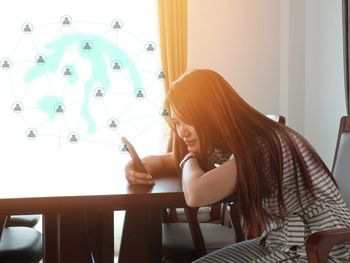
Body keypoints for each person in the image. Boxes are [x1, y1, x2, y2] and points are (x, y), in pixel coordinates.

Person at [125, 69, 350, 262]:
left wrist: (187, 158)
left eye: (188, 120)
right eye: (177, 123)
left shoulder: (263, 144)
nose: (182, 131)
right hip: (281, 242)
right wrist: (141, 165)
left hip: (321, 250)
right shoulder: (238, 141)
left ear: (210, 113)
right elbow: (168, 160)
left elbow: (196, 194)